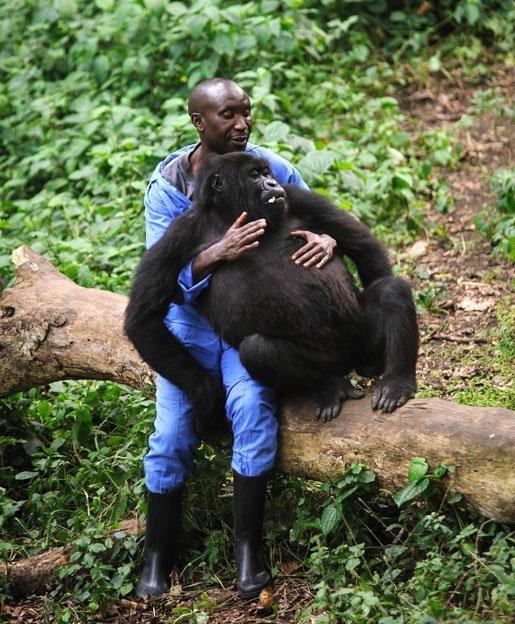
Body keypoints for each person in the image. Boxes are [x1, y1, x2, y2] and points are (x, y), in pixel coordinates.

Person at [136, 78, 337, 600]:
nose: (242, 124)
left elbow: (320, 216)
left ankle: (248, 549)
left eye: (246, 112)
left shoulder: (267, 165)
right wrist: (215, 252)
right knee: (171, 437)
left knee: (252, 411)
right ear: (198, 123)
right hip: (193, 327)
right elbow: (161, 285)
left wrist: (325, 236)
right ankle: (157, 558)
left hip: (250, 327)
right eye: (227, 115)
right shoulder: (168, 189)